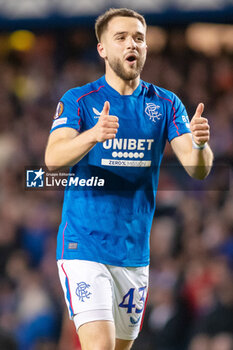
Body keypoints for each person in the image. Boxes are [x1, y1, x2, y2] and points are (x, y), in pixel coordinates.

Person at [45, 8, 213, 350]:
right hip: (84, 245)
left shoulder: (165, 104)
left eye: (138, 37)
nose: (131, 43)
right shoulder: (79, 100)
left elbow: (198, 168)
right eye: (120, 37)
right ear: (102, 49)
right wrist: (92, 135)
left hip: (134, 253)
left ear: (146, 47)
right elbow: (52, 159)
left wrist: (200, 143)